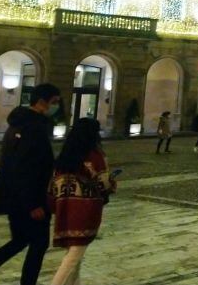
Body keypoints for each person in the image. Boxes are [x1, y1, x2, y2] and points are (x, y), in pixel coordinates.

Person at [0, 83, 61, 285]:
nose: (57, 107)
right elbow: (25, 167)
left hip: (14, 196)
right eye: (55, 102)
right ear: (42, 102)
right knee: (38, 243)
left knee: (19, 241)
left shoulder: (19, 123)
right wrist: (33, 204)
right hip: (28, 199)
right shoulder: (33, 127)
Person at [48, 118, 118, 285]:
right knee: (74, 255)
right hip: (85, 207)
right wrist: (112, 184)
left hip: (64, 206)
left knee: (74, 253)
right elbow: (103, 183)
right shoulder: (94, 155)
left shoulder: (66, 154)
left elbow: (53, 183)